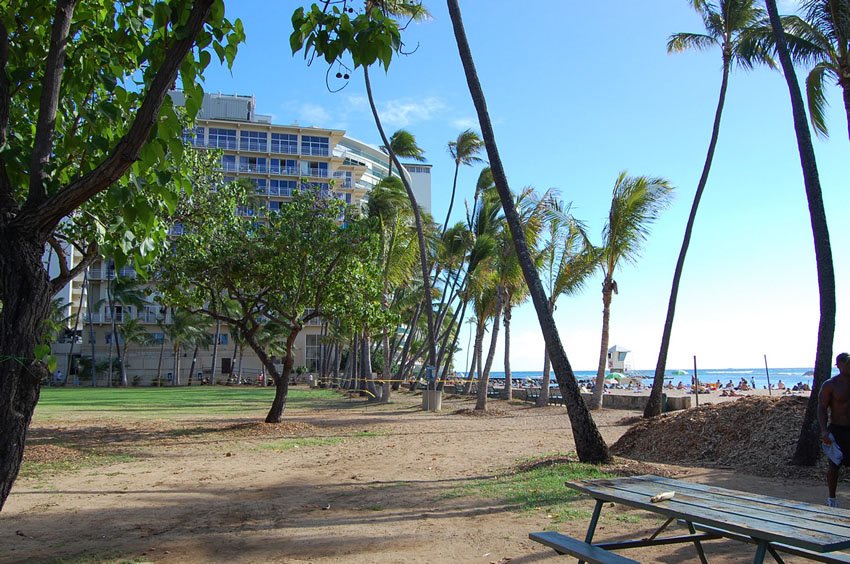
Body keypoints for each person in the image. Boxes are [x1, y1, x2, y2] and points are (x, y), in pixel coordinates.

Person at [819, 352, 850, 508]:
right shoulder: (831, 384)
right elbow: (822, 408)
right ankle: (832, 498)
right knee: (834, 466)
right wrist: (824, 431)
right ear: (839, 365)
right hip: (837, 429)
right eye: (847, 363)